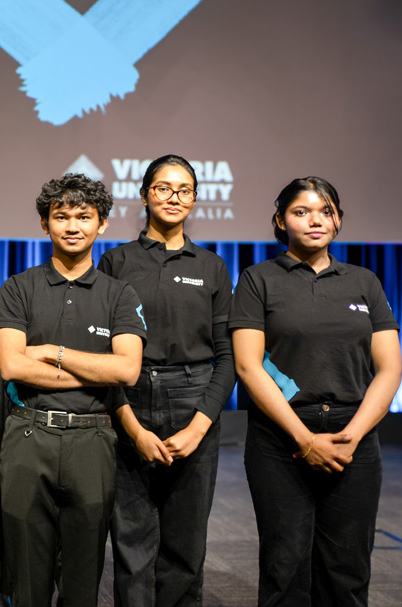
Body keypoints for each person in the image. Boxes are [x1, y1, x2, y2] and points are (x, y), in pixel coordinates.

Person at [231, 177, 400, 607]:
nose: (315, 220)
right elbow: (249, 368)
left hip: (353, 436)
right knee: (284, 567)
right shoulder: (257, 279)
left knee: (347, 570)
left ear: (339, 220)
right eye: (300, 212)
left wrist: (354, 437)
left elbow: (390, 368)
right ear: (280, 220)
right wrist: (304, 440)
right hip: (280, 437)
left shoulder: (364, 280)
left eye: (325, 211)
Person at [0, 173, 145, 607]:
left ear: (102, 224)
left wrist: (52, 352)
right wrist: (99, 370)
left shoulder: (119, 294)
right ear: (45, 224)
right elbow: (10, 365)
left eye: (84, 216)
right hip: (28, 435)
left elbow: (128, 370)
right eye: (61, 216)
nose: (72, 225)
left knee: (83, 580)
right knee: (25, 579)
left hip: (93, 439)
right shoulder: (19, 287)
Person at [98, 154, 235, 607]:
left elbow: (226, 354)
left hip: (193, 399)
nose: (174, 197)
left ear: (195, 199)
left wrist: (199, 425)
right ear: (144, 195)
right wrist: (131, 426)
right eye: (163, 188)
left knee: (185, 544)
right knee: (131, 544)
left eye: (184, 190)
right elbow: (103, 355)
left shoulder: (212, 266)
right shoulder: (116, 262)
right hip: (129, 398)